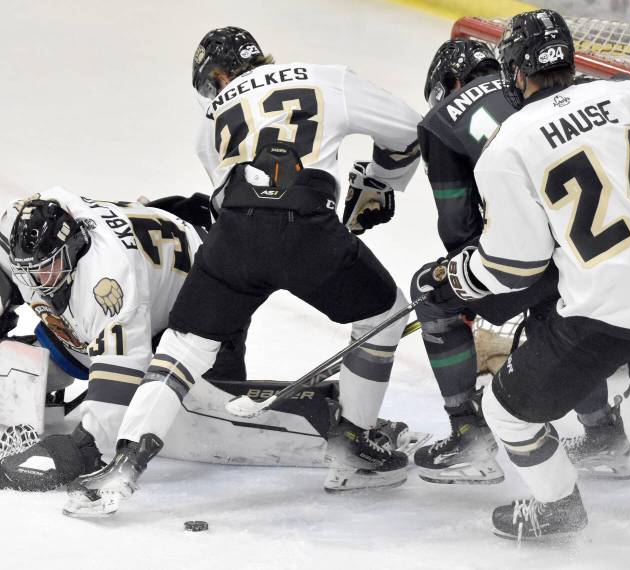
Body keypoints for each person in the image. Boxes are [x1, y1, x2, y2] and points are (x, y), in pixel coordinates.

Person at [61, 26, 423, 517]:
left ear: (219, 76)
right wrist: (381, 182)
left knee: (183, 345)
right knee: (388, 315)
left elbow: (230, 197)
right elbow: (407, 130)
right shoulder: (326, 79)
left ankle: (121, 467)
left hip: (234, 237)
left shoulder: (210, 121)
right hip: (309, 233)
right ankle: (354, 447)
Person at [419, 9, 630, 541]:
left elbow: (514, 265)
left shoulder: (510, 143)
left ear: (516, 73)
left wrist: (451, 279)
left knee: (506, 412)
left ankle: (557, 507)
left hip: (602, 310)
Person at [0, 187, 419, 492]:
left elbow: (118, 387)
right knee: (11, 371)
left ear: (75, 246)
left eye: (49, 267)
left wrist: (83, 448)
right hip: (149, 273)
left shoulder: (108, 283)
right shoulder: (31, 235)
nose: (39, 280)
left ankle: (335, 421)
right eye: (29, 271)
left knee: (192, 424)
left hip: (205, 296)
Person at [410, 39, 630, 484]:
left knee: (433, 298)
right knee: (554, 304)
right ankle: (604, 434)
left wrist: (454, 279)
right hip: (613, 246)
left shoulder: (443, 119)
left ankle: (468, 436)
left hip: (537, 255)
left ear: (450, 83)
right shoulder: (561, 92)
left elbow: (459, 232)